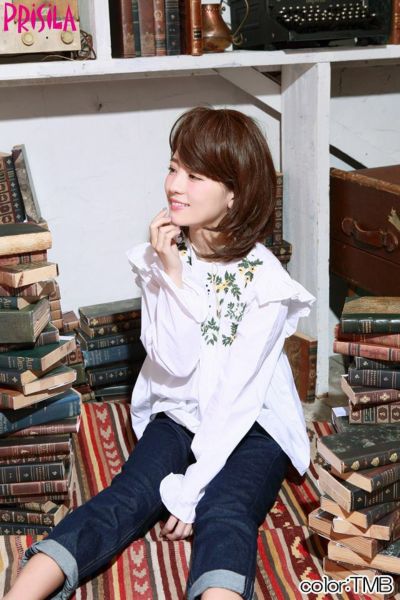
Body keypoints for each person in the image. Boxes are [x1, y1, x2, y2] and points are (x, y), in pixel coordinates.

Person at [4, 106, 315, 600]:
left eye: (195, 175)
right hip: (179, 408)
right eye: (173, 168)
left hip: (253, 422)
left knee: (225, 511)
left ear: (234, 193)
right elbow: (174, 362)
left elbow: (237, 399)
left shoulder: (266, 282)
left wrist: (192, 491)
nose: (175, 185)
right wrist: (171, 275)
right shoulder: (159, 257)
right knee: (127, 497)